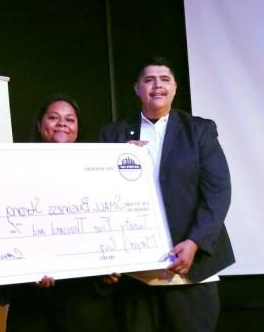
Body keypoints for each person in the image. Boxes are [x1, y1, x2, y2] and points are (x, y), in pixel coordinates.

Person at [99, 57, 234, 332]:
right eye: (149, 80)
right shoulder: (113, 135)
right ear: (137, 89)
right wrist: (115, 158)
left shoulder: (199, 130)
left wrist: (196, 241)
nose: (157, 85)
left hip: (191, 269)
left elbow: (218, 190)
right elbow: (97, 195)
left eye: (164, 79)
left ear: (174, 88)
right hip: (134, 275)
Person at [6, 95, 118, 332]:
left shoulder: (99, 169)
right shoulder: (13, 168)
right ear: (39, 124)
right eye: (53, 117)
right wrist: (27, 270)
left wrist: (116, 260)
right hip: (33, 298)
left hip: (86, 295)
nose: (62, 123)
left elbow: (112, 218)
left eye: (70, 119)